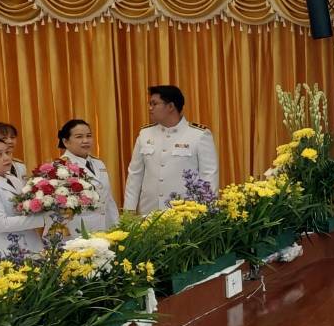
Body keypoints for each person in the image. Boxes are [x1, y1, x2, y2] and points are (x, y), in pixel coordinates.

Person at [124, 85, 218, 214]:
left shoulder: (199, 135)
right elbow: (135, 174)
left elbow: (208, 176)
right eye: (149, 104)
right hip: (149, 213)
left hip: (185, 214)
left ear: (170, 106)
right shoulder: (145, 134)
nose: (150, 108)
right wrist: (129, 209)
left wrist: (207, 212)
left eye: (154, 104)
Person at [56, 119, 119, 234]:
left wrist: (116, 225)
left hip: (104, 227)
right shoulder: (59, 168)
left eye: (89, 136)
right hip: (78, 231)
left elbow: (108, 199)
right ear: (66, 142)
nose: (85, 141)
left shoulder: (98, 163)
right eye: (79, 137)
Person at [0, 136, 46, 256]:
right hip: (6, 250)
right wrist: (42, 219)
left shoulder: (12, 178)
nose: (7, 158)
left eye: (8, 152)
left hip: (31, 244)